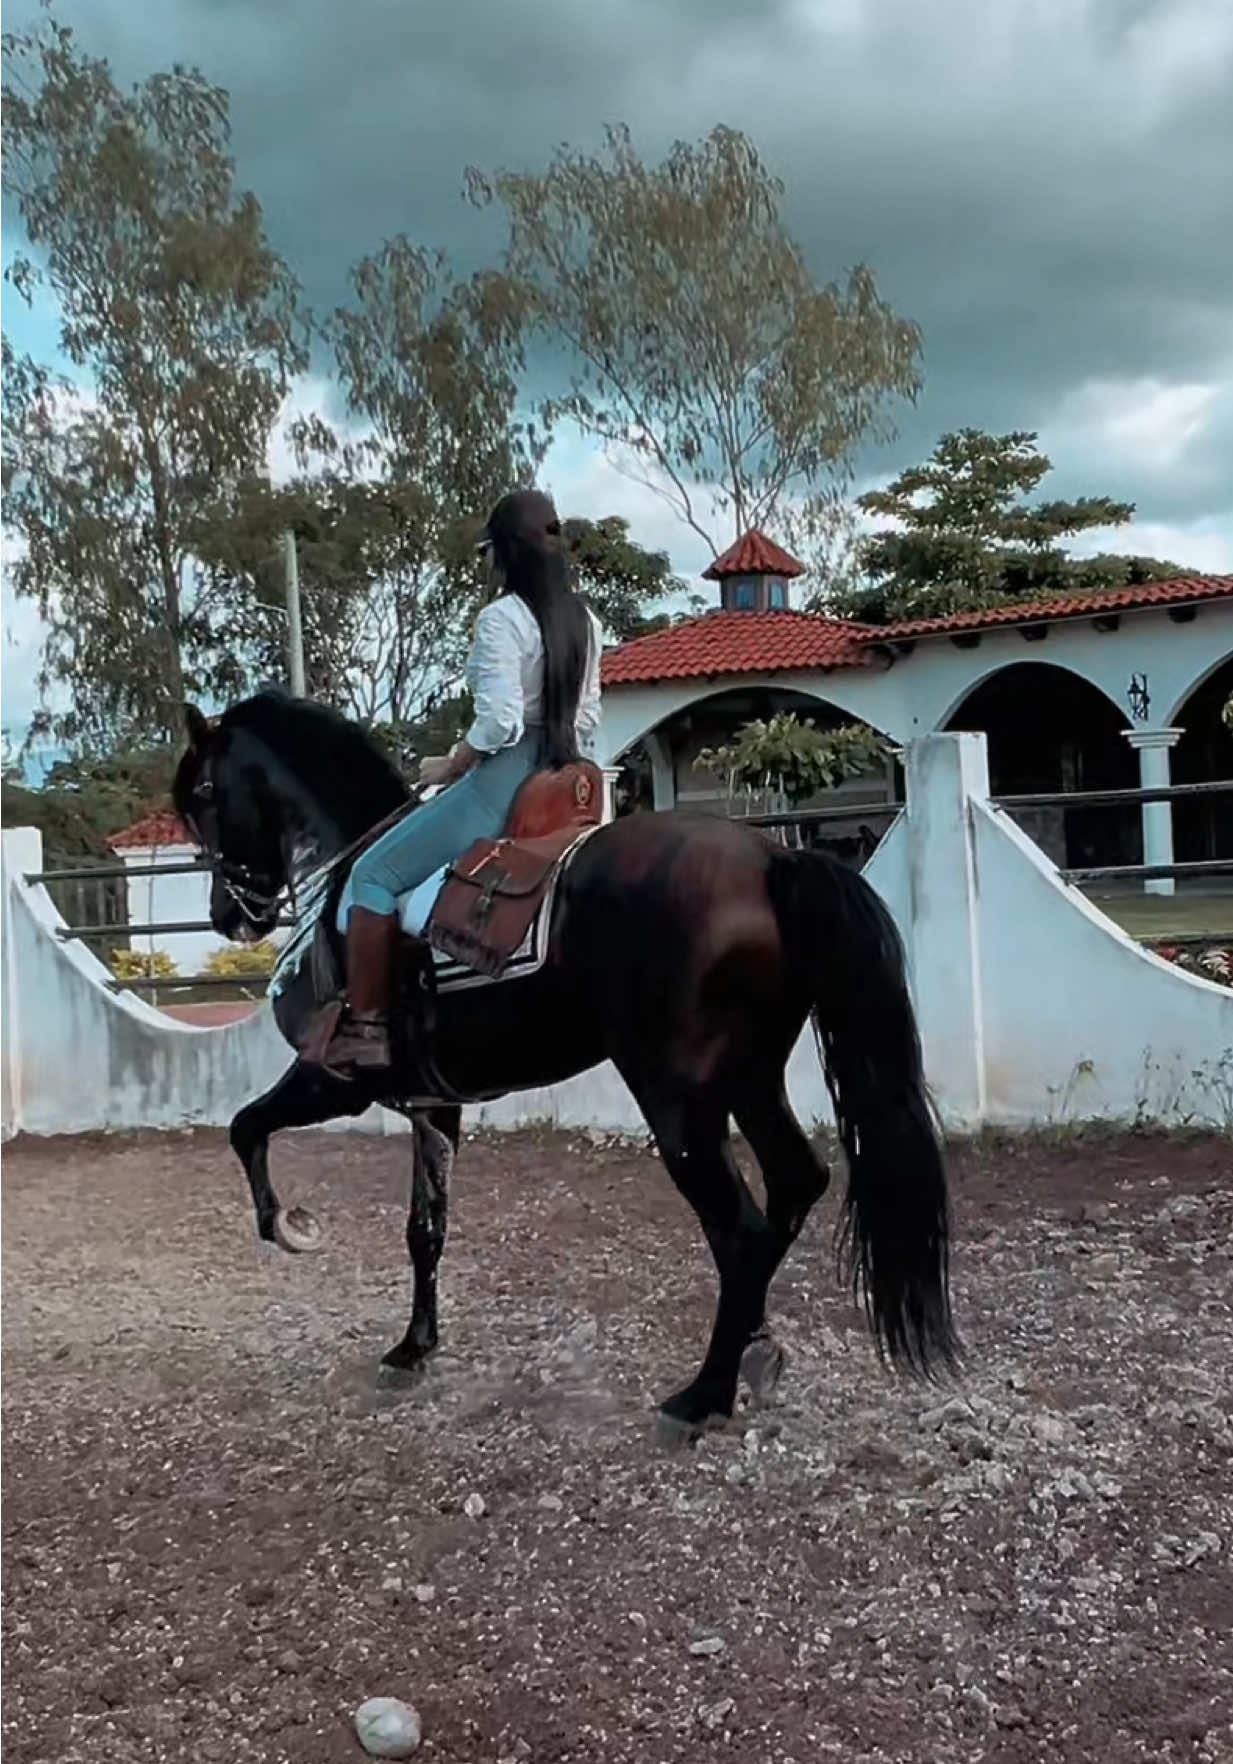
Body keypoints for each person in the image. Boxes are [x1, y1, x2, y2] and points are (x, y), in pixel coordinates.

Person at [314, 488, 603, 1078]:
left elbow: (499, 720)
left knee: (373, 875)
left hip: (505, 780)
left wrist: (454, 763)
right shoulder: (586, 621)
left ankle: (367, 1029)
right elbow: (589, 715)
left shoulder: (502, 619)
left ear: (504, 553)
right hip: (568, 778)